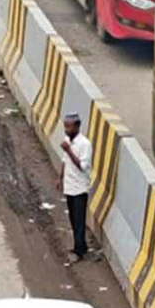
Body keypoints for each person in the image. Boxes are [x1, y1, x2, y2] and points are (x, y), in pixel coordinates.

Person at [58, 112, 92, 262]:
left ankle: (78, 251)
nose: (66, 130)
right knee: (73, 218)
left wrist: (69, 150)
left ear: (77, 127)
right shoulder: (67, 140)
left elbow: (82, 166)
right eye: (65, 126)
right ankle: (82, 246)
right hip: (69, 185)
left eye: (69, 127)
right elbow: (65, 161)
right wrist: (60, 178)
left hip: (80, 187)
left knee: (79, 219)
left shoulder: (84, 144)